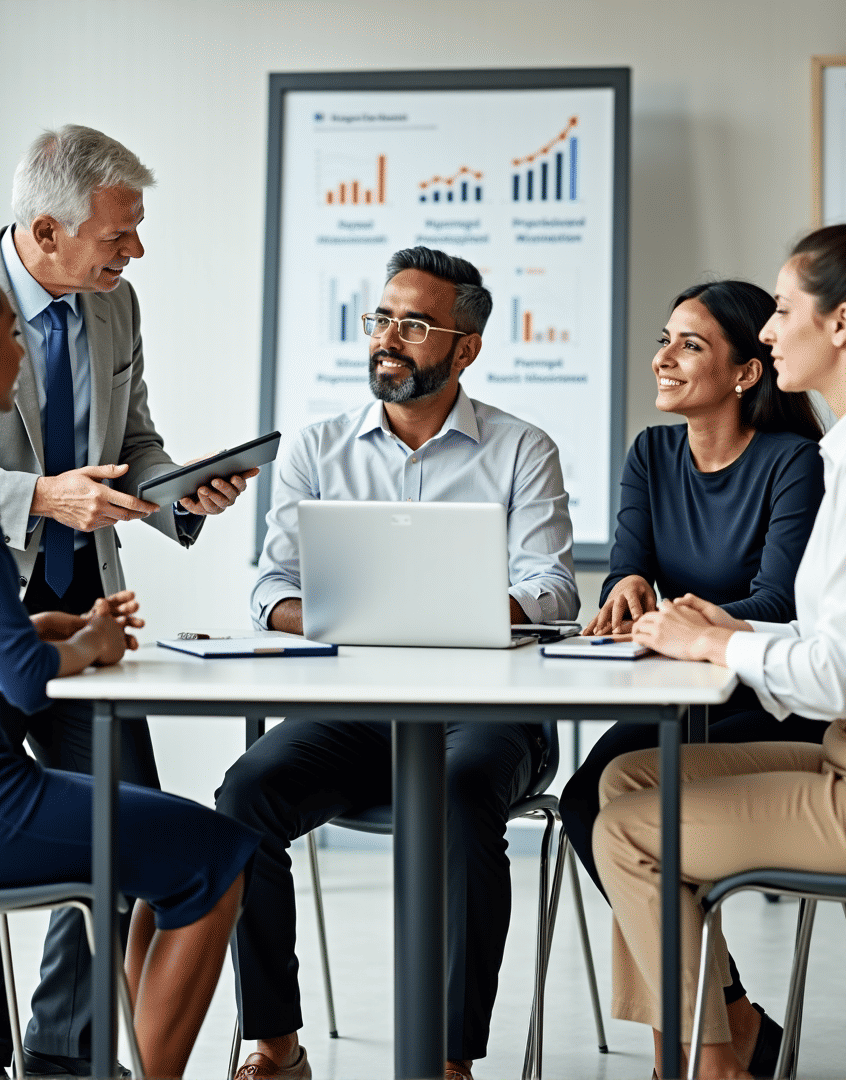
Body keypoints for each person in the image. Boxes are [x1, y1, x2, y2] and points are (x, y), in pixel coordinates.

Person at [0, 126, 252, 1080]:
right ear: (47, 227)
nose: (134, 252)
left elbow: (137, 437)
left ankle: (67, 1054)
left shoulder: (117, 309)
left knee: (128, 815)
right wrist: (40, 494)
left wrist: (176, 489)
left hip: (78, 605)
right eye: (120, 235)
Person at [595, 193, 846, 1079]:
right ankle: (711, 1039)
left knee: (627, 832)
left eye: (783, 310)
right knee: (626, 779)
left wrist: (716, 646)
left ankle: (712, 1062)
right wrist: (729, 627)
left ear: (842, 323)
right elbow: (834, 642)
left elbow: (831, 680)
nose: (771, 331)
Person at [217, 247, 579, 1080]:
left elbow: (554, 589)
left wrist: (455, 613)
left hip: (489, 714)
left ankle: (448, 1061)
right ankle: (274, 1042)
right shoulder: (317, 449)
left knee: (455, 794)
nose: (389, 338)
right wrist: (339, 617)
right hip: (353, 711)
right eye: (382, 318)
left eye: (415, 325)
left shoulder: (523, 449)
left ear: (465, 347)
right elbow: (271, 584)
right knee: (242, 797)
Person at [557, 279, 828, 1072]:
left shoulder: (793, 462)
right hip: (682, 693)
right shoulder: (651, 451)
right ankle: (729, 1014)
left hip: (770, 701)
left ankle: (694, 1044)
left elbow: (777, 603)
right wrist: (624, 590)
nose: (663, 358)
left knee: (628, 807)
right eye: (664, 339)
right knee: (587, 799)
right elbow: (630, 563)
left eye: (690, 344)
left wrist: (675, 622)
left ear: (746, 373)